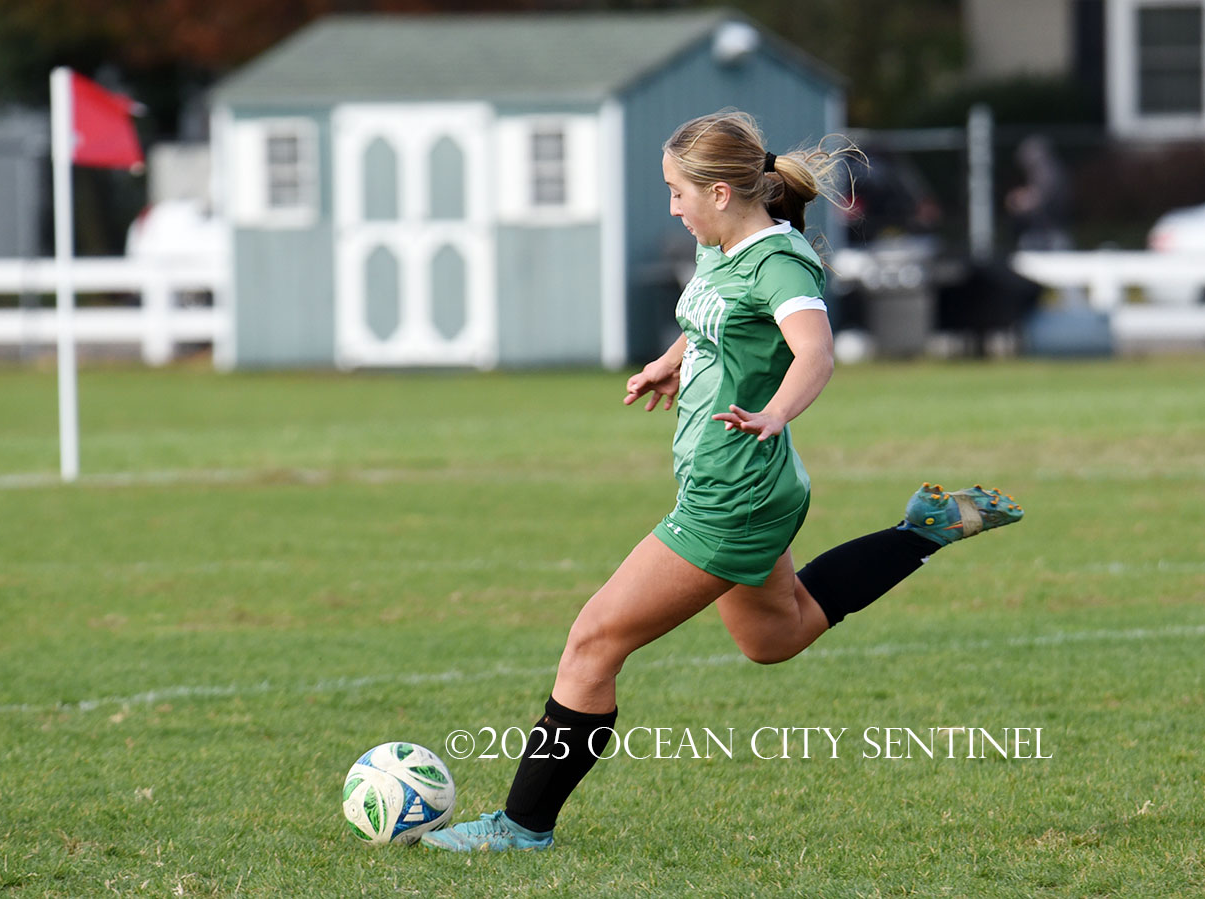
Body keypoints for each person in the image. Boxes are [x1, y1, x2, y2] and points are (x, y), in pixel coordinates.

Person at [422, 110, 1023, 852]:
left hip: (733, 496)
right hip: (747, 486)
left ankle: (520, 827)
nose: (672, 206)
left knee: (592, 642)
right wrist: (672, 361)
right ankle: (920, 532)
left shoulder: (779, 261)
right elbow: (717, 317)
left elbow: (814, 352)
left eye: (677, 191)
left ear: (718, 192)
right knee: (775, 636)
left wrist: (775, 412)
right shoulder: (721, 245)